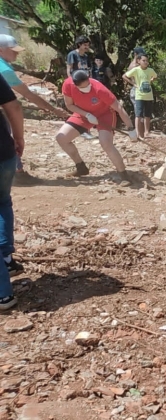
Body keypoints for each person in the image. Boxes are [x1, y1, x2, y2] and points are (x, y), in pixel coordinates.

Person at [0, 35, 69, 186]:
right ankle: (17, 173)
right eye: (13, 51)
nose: (17, 54)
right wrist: (53, 110)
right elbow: (26, 95)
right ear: (1, 50)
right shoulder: (4, 70)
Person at [55, 70, 137, 185]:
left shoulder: (99, 89)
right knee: (61, 138)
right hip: (83, 114)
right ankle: (81, 167)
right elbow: (69, 105)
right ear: (75, 85)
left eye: (88, 85)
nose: (87, 88)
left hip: (104, 114)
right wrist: (87, 114)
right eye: (83, 88)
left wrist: (131, 128)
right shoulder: (68, 85)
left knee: (106, 143)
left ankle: (124, 175)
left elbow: (119, 108)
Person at [0, 73, 26, 309]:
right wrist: (18, 137)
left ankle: (3, 294)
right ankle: (6, 257)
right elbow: (14, 106)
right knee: (2, 202)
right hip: (3, 153)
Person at [122, 54, 157, 139]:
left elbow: (155, 76)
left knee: (147, 114)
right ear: (139, 61)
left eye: (146, 61)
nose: (145, 62)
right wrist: (134, 84)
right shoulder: (136, 70)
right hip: (139, 95)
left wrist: (151, 81)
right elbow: (124, 76)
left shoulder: (150, 70)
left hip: (148, 95)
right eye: (143, 60)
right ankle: (137, 133)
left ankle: (147, 132)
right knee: (138, 115)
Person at [126, 47, 145, 111]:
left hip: (140, 89)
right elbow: (125, 76)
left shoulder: (138, 64)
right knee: (140, 113)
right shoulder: (134, 66)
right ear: (135, 54)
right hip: (137, 91)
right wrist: (134, 84)